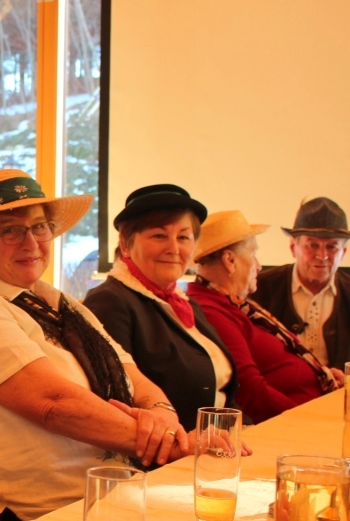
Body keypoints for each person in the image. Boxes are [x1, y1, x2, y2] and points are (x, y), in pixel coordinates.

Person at [0, 169, 189, 521]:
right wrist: (174, 443)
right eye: (10, 230)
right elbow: (54, 405)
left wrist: (162, 414)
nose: (30, 242)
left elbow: (134, 377)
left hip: (122, 496)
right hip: (47, 518)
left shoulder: (64, 305)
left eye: (39, 227)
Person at [84, 184, 237, 431]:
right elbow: (117, 400)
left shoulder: (185, 303)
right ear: (125, 244)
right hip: (166, 448)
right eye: (159, 236)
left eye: (183, 237)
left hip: (217, 440)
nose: (174, 249)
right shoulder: (109, 302)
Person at [187, 210, 340, 424]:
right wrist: (311, 420)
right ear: (230, 260)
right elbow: (250, 391)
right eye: (253, 254)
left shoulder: (233, 303)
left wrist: (325, 377)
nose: (259, 265)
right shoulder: (211, 310)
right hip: (295, 426)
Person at [250, 197, 350, 368]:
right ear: (292, 248)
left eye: (332, 247)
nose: (322, 256)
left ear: (344, 252)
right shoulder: (258, 289)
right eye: (312, 245)